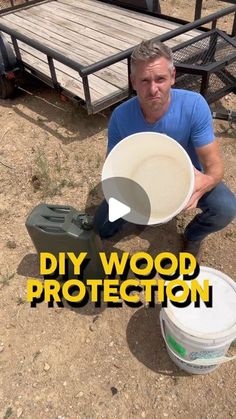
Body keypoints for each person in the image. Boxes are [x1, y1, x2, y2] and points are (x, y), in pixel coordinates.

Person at [94, 40, 236, 258]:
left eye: (160, 79)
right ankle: (136, 218)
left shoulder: (194, 106)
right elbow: (113, 166)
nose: (153, 89)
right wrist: (131, 196)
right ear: (133, 82)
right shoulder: (121, 117)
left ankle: (193, 235)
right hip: (140, 180)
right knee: (101, 225)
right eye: (144, 80)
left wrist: (204, 182)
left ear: (172, 76)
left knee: (226, 207)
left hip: (188, 178)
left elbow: (214, 166)